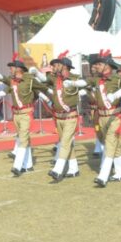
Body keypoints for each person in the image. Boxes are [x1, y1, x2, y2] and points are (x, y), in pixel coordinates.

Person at [0, 53, 48, 176]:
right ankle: (28, 165)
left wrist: (46, 97)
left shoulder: (29, 79)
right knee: (24, 138)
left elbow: (43, 87)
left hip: (26, 113)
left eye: (12, 67)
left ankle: (17, 166)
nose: (10, 69)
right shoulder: (12, 80)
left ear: (19, 69)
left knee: (22, 139)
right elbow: (3, 79)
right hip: (16, 114)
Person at [79, 50, 121, 187]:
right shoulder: (97, 79)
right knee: (112, 144)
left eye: (99, 64)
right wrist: (74, 84)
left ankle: (103, 175)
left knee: (110, 143)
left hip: (114, 116)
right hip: (101, 116)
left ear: (108, 65)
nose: (96, 66)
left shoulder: (119, 79)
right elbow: (86, 82)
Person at [34, 50, 83, 181]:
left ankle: (58, 169)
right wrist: (35, 73)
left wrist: (75, 85)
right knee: (66, 143)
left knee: (65, 143)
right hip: (58, 117)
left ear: (64, 66)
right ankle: (74, 169)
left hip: (70, 116)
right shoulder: (54, 78)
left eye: (57, 65)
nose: (54, 67)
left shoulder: (74, 78)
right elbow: (44, 78)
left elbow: (85, 85)